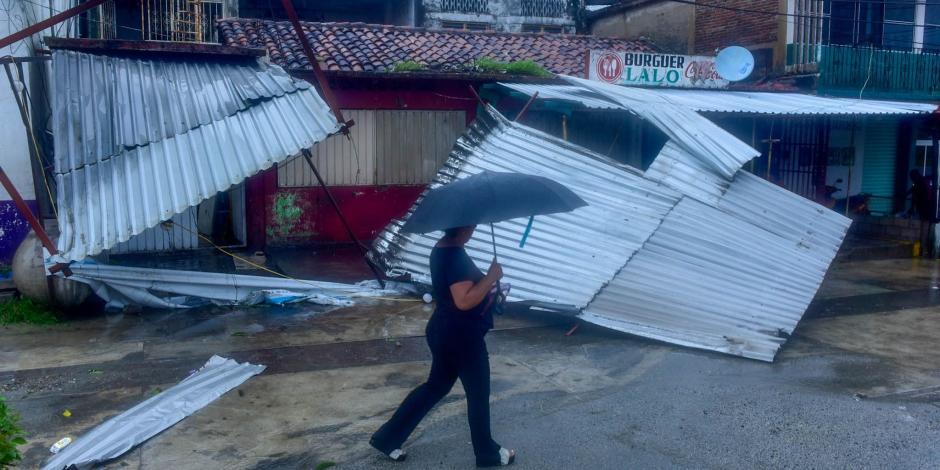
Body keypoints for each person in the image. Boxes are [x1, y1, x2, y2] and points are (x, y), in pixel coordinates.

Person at [370, 225, 516, 467]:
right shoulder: (455, 255)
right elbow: (464, 301)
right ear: (463, 227)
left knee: (435, 386)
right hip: (461, 337)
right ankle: (487, 453)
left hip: (444, 330)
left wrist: (490, 288)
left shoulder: (441, 248)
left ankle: (387, 438)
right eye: (472, 225)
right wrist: (491, 277)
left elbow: (461, 293)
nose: (474, 229)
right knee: (478, 393)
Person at [907, 170, 934, 256]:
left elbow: (914, 196)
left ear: (915, 177)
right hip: (929, 209)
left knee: (924, 230)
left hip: (926, 210)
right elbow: (912, 190)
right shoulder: (924, 180)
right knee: (926, 230)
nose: (912, 180)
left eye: (912, 178)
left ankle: (924, 250)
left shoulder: (919, 183)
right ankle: (924, 249)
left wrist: (912, 209)